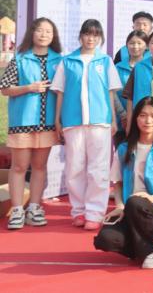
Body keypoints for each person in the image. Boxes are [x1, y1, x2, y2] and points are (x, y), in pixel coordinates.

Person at [94, 97, 153, 268]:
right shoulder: (124, 148)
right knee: (104, 240)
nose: (148, 121)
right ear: (135, 118)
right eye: (143, 115)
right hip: (131, 210)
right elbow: (118, 183)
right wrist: (120, 206)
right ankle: (143, 247)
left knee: (136, 202)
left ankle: (150, 250)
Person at [51, 19, 121, 229]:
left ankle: (95, 213)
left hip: (100, 121)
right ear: (80, 36)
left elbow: (110, 93)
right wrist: (57, 119)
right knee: (75, 167)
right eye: (87, 34)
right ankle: (78, 211)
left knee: (98, 169)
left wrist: (113, 119)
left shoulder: (106, 61)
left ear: (100, 38)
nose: (91, 39)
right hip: (73, 121)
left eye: (95, 35)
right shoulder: (67, 62)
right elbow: (60, 93)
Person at [1, 18, 62, 229]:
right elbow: (5, 89)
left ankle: (35, 207)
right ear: (32, 33)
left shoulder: (59, 61)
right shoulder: (20, 59)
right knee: (19, 166)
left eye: (48, 31)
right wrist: (29, 88)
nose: (44, 35)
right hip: (22, 122)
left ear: (53, 36)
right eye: (40, 30)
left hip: (47, 124)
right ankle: (17, 209)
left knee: (40, 166)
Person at [114, 30, 149, 143]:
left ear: (146, 46)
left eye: (139, 43)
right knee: (123, 151)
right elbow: (113, 93)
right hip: (121, 120)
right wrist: (123, 115)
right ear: (126, 45)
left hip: (146, 121)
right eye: (132, 43)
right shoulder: (117, 67)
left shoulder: (150, 67)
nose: (135, 46)